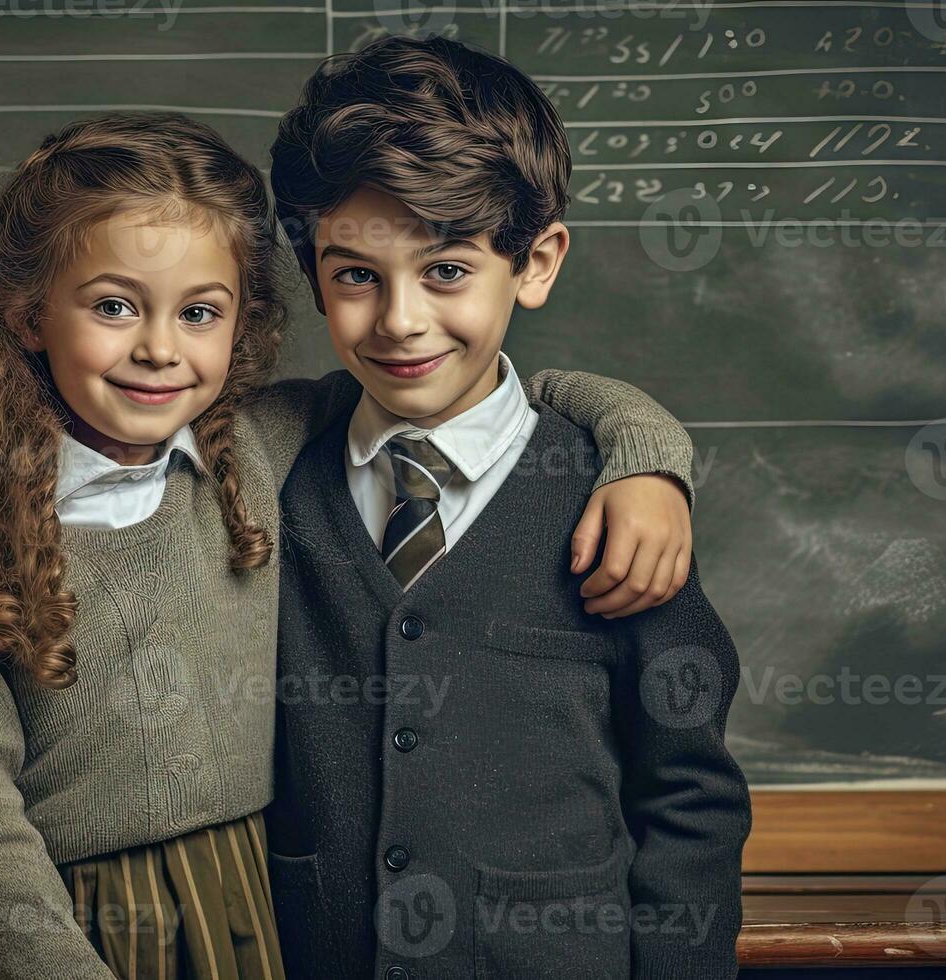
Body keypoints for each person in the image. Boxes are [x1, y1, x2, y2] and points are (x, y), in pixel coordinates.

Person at [0, 110, 700, 980]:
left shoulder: (256, 449)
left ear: (241, 322)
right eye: (113, 306)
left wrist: (647, 456)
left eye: (198, 312)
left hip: (235, 914)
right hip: (38, 928)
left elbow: (513, 395)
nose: (156, 348)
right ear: (26, 315)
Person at [261, 35, 752, 980]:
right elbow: (80, 470)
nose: (400, 320)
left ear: (534, 264)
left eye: (446, 270)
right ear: (313, 265)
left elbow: (688, 792)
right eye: (356, 274)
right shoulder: (266, 476)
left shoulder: (611, 506)